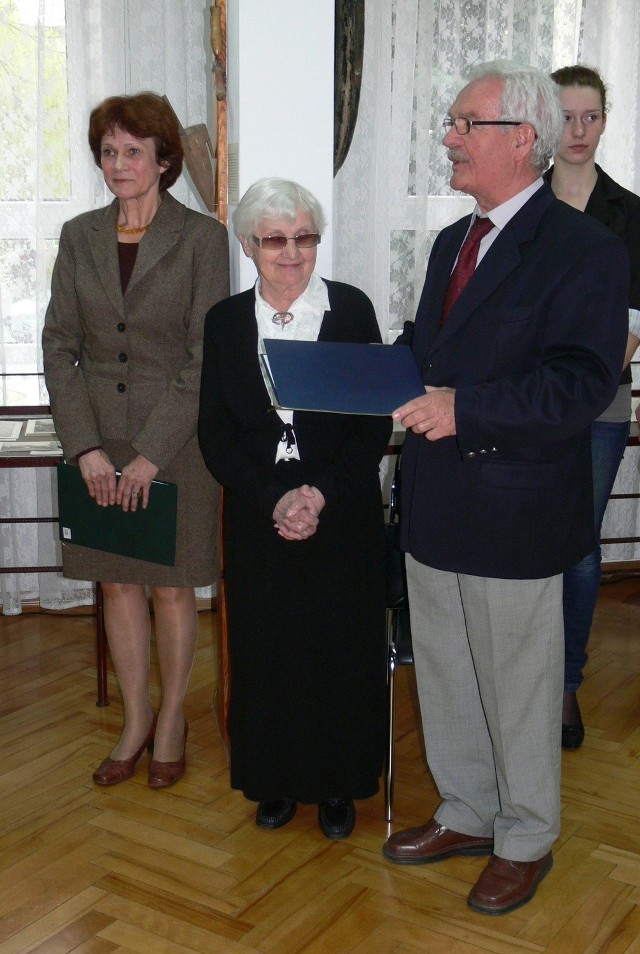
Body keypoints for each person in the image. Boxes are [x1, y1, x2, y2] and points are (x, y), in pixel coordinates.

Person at [382, 61, 628, 915]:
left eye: (462, 125)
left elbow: (580, 384)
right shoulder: (454, 240)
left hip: (514, 506)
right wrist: (364, 378)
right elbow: (428, 356)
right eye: (450, 124)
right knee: (446, 671)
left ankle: (526, 836)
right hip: (437, 500)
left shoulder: (585, 248)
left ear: (520, 140)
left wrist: (467, 409)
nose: (447, 139)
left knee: (518, 685)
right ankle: (468, 810)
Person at [42, 92, 229, 788]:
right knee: (117, 586)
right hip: (97, 442)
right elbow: (60, 346)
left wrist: (150, 454)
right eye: (107, 151)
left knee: (173, 590)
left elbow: (205, 356)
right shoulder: (79, 236)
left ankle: (175, 718)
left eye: (131, 151)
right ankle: (137, 719)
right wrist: (85, 448)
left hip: (175, 445)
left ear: (163, 160)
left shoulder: (203, 240)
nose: (117, 164)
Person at [198, 178, 391, 840]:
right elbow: (215, 435)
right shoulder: (225, 322)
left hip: (341, 513)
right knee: (267, 649)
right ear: (249, 244)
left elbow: (372, 428)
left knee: (340, 646)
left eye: (305, 237)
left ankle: (340, 784)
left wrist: (318, 493)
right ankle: (273, 780)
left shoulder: (352, 311)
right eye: (276, 239)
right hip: (259, 516)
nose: (292, 253)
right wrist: (274, 496)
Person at [546, 65, 640, 749]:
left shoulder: (630, 215)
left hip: (598, 402)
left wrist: (579, 384)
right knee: (525, 542)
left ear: (606, 119)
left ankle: (565, 685)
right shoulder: (519, 204)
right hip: (523, 405)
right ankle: (520, 678)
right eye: (566, 117)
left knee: (577, 547)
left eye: (590, 116)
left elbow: (630, 326)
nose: (577, 132)